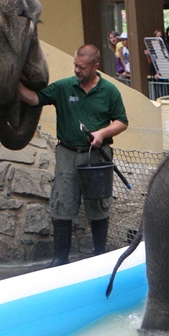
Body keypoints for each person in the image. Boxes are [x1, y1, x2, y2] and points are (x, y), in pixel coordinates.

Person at [16, 44, 129, 267]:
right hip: (68, 153)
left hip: (97, 156)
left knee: (98, 204)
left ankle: (100, 257)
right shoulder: (64, 87)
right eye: (75, 65)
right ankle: (60, 260)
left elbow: (122, 121)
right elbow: (33, 99)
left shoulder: (109, 91)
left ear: (95, 66)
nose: (77, 70)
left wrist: (102, 133)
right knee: (63, 204)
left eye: (82, 67)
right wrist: (13, 83)